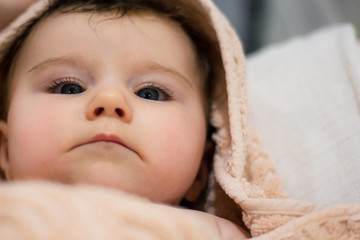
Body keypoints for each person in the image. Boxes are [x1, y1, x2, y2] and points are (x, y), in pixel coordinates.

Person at [0, 0, 249, 238]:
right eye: (69, 88)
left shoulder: (213, 233)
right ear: (5, 151)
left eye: (150, 93)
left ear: (201, 172)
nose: (109, 100)